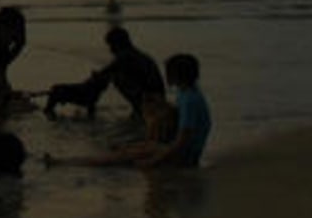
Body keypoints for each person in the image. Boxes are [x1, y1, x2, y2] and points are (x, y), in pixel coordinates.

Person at [49, 52, 211, 170]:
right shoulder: (189, 93)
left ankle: (63, 163)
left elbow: (183, 141)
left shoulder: (189, 100)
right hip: (181, 152)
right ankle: (67, 162)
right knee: (124, 150)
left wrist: (154, 160)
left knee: (115, 159)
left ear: (176, 75)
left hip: (184, 158)